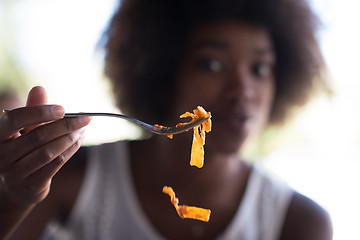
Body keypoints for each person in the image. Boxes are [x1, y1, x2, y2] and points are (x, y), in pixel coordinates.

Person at [0, 0, 333, 239]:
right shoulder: (68, 177)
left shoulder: (300, 222)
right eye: (212, 64)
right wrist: (16, 198)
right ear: (161, 71)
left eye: (260, 69)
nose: (243, 91)